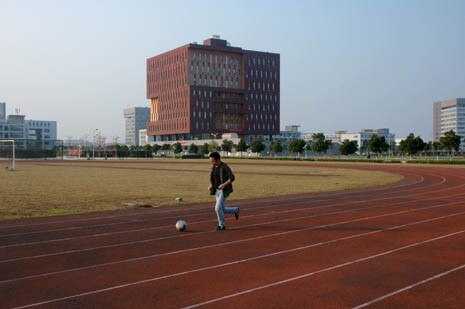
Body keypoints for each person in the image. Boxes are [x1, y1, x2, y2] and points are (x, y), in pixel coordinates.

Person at [208, 152, 239, 230]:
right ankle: (235, 210)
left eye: (212, 161)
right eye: (210, 161)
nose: (211, 162)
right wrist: (211, 185)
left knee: (217, 208)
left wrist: (224, 185)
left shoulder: (224, 167)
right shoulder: (213, 167)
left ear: (218, 159)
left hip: (224, 190)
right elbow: (214, 179)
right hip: (216, 191)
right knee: (222, 209)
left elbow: (232, 178)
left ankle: (222, 225)